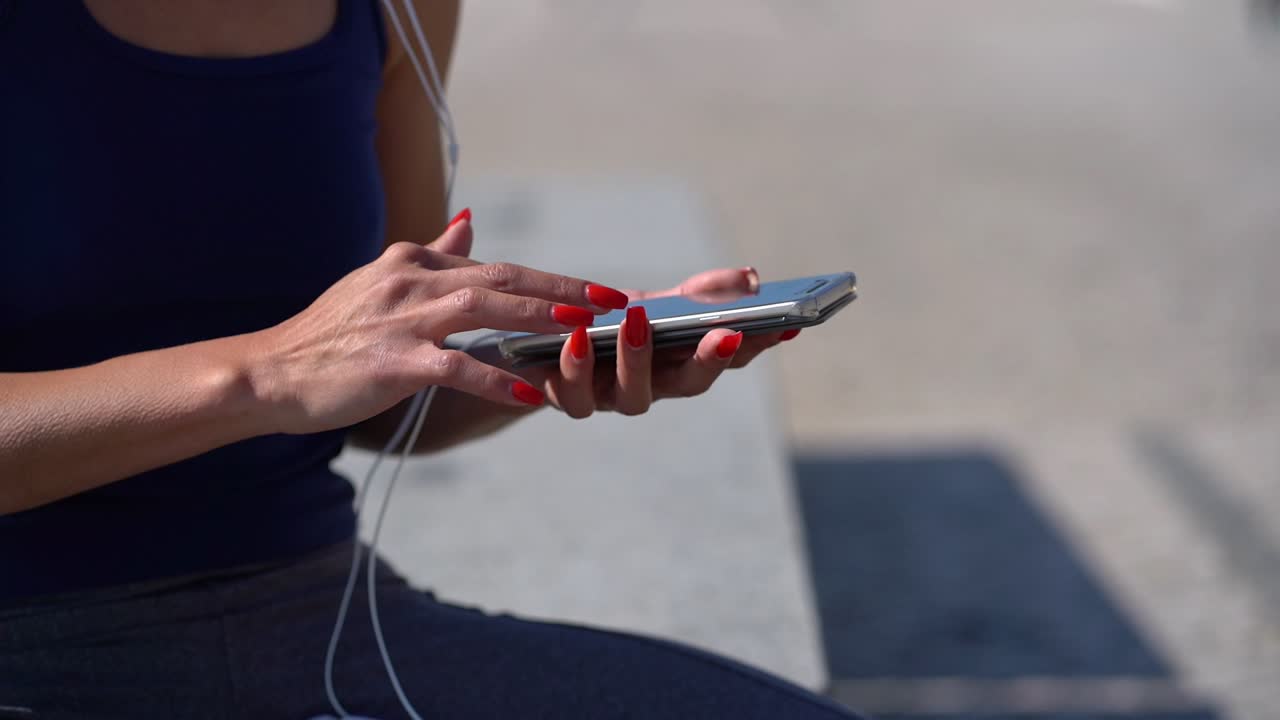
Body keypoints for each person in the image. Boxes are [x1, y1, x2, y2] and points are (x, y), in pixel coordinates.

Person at [0, 1, 858, 718]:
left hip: (322, 625)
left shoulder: (398, 13)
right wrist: (264, 373)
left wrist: (562, 363)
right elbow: (299, 371)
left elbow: (377, 403)